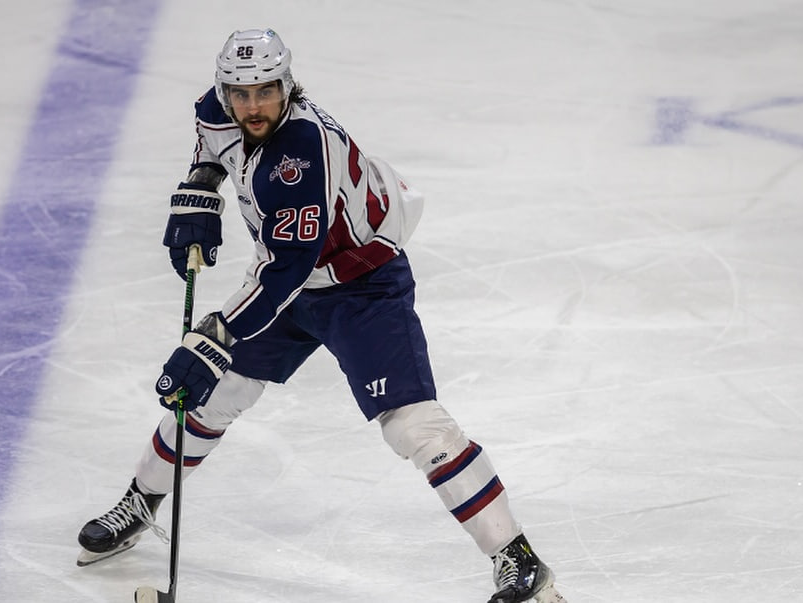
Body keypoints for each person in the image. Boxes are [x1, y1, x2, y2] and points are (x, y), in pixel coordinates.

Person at [77, 28, 566, 603]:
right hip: (287, 278)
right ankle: (141, 500)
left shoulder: (302, 153)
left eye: (265, 91)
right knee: (214, 392)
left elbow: (287, 268)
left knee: (413, 425)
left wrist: (215, 335)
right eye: (240, 93)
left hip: (362, 286)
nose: (252, 106)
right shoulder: (216, 108)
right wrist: (201, 187)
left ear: (286, 86)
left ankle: (518, 559)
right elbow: (211, 147)